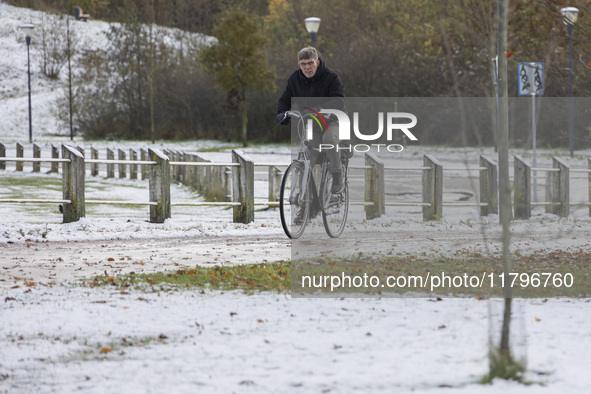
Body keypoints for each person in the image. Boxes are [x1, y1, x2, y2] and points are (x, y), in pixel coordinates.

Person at [276, 47, 345, 194]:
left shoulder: (331, 77)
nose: (307, 67)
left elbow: (339, 101)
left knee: (329, 140)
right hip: (311, 125)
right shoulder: (294, 79)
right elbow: (284, 100)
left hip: (332, 121)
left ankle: (338, 174)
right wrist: (282, 113)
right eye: (303, 64)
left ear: (317, 63)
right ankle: (305, 203)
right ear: (299, 65)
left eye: (310, 63)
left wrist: (318, 109)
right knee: (307, 157)